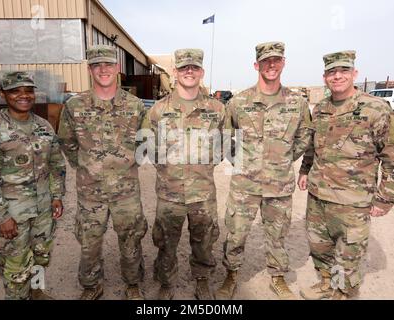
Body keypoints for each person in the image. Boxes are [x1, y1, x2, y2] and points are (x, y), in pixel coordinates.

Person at [297, 50, 394, 300]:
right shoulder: (323, 108)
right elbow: (313, 146)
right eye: (332, 72)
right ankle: (327, 283)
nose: (337, 76)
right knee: (320, 247)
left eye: (343, 71)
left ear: (354, 73)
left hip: (353, 202)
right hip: (318, 196)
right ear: (325, 77)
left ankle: (344, 293)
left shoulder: (375, 108)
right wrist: (305, 170)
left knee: (348, 253)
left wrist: (385, 198)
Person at [216, 42, 312, 300]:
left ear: (283, 63)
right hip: (244, 186)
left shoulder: (297, 103)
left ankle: (278, 277)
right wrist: (243, 162)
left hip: (279, 186)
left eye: (276, 60)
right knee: (236, 233)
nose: (272, 65)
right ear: (256, 65)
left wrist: (282, 158)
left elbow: (305, 136)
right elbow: (224, 137)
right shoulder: (239, 102)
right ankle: (232, 274)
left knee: (277, 234)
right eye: (266, 61)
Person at [58, 45, 148, 300]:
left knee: (131, 241)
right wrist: (87, 167)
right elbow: (66, 142)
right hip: (90, 194)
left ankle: (132, 284)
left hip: (126, 193)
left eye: (108, 64)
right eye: (97, 65)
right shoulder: (74, 106)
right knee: (89, 244)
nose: (104, 69)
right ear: (89, 70)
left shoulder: (135, 105)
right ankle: (91, 286)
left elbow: (145, 142)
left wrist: (127, 165)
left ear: (117, 68)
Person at [0, 71, 65, 300]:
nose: (23, 95)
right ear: (3, 94)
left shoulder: (44, 127)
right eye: (15, 91)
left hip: (42, 212)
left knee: (41, 257)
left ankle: (37, 293)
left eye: (28, 90)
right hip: (11, 217)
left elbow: (56, 164)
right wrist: (1, 217)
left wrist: (56, 196)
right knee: (16, 272)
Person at [142, 49, 225, 300]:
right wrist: (169, 168)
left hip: (203, 192)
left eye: (194, 68)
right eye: (184, 68)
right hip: (169, 193)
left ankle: (202, 279)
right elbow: (147, 144)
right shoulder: (157, 110)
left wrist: (203, 165)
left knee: (204, 241)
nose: (189, 72)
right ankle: (166, 282)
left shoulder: (217, 109)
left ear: (201, 72)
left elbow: (227, 145)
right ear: (175, 72)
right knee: (166, 242)